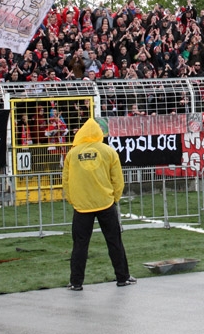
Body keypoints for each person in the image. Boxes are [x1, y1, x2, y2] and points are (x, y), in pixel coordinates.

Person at [62, 118, 136, 290]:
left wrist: (73, 200)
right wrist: (114, 198)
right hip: (105, 203)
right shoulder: (108, 151)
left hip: (82, 207)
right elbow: (118, 179)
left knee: (80, 245)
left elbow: (65, 181)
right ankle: (122, 277)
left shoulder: (72, 154)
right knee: (114, 241)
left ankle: (76, 282)